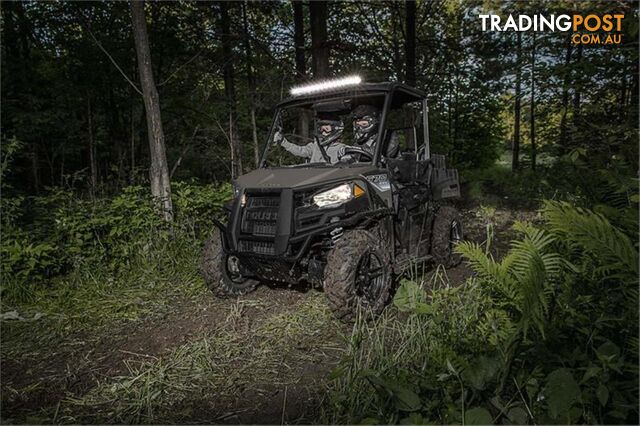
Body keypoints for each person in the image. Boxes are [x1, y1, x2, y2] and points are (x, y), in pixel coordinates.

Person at [274, 114, 346, 164]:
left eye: (326, 129)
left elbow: (349, 160)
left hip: (332, 182)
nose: (323, 132)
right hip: (312, 179)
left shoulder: (341, 148)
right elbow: (300, 151)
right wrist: (283, 142)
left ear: (336, 129)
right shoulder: (315, 146)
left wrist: (346, 160)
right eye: (321, 129)